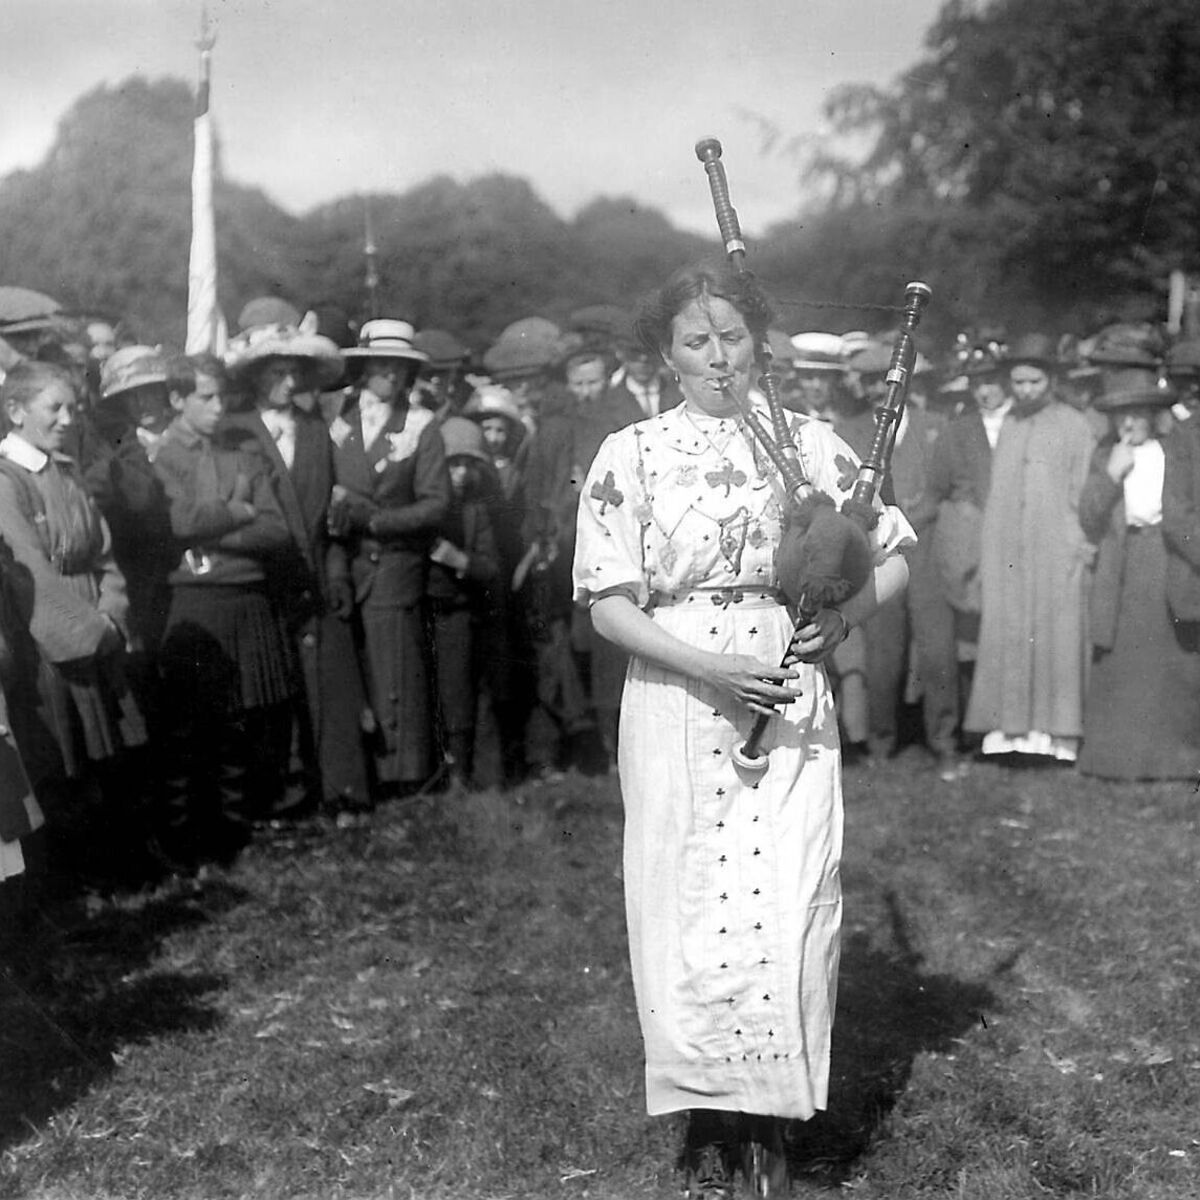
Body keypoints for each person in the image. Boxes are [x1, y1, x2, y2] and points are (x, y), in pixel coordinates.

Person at [573, 262, 912, 1197]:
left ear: (758, 342)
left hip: (789, 684)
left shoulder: (816, 448)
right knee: (685, 898)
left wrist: (836, 626)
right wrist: (711, 666)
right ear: (666, 356)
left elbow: (891, 561)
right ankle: (706, 1107)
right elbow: (608, 602)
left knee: (789, 891)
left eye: (731, 337)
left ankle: (770, 1124)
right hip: (680, 691)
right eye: (695, 341)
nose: (718, 358)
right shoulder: (629, 454)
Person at [0, 361, 148, 879]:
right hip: (47, 633)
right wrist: (88, 631)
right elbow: (29, 572)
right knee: (63, 758)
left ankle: (114, 866)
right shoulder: (6, 481)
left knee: (105, 757)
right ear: (16, 412)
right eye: (53, 408)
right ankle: (72, 879)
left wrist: (111, 612)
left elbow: (103, 553)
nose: (67, 419)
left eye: (73, 408)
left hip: (97, 621)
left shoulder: (63, 469)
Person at [153, 354, 294, 867]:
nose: (218, 408)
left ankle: (231, 832)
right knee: (190, 727)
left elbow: (276, 529)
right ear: (176, 400)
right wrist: (237, 512)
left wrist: (214, 540)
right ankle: (185, 841)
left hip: (244, 596)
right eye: (204, 398)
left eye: (222, 398)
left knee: (239, 721)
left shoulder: (243, 453)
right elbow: (177, 521)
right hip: (196, 603)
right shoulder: (163, 457)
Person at [326, 319, 450, 795]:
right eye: (382, 366)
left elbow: (436, 503)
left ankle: (402, 774)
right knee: (351, 666)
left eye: (400, 368)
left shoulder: (420, 426)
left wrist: (375, 520)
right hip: (344, 561)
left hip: (395, 565)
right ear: (363, 368)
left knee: (395, 667)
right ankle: (358, 771)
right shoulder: (336, 421)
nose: (391, 376)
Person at [964, 333, 1097, 762]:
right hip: (1009, 550)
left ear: (1052, 380)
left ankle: (1056, 736)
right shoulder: (1011, 425)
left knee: (1056, 634)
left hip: (1056, 547)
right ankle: (1010, 734)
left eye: (1034, 383)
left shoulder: (1076, 425)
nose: (1024, 391)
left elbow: (1082, 491)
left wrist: (1077, 541)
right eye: (1018, 383)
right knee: (1009, 632)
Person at [1079, 370, 1200, 778]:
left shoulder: (1176, 451)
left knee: (1170, 662)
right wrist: (1111, 474)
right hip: (1123, 560)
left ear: (1152, 414)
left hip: (1167, 558)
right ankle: (1115, 760)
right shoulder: (1106, 454)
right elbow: (1089, 516)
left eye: (1136, 415)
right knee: (1122, 661)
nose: (1128, 425)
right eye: (1119, 417)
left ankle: (1173, 761)